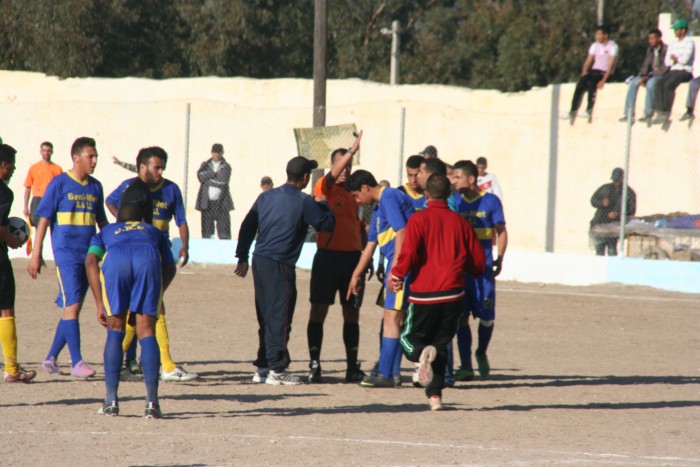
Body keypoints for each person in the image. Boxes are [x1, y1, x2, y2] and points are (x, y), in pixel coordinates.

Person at [235, 155, 335, 385]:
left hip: (259, 260)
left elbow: (248, 225)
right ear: (305, 177)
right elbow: (326, 225)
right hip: (280, 264)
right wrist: (323, 203)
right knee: (281, 315)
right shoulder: (304, 201)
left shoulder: (266, 196)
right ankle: (277, 370)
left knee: (267, 315)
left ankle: (263, 366)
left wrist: (242, 256)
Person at [390, 174, 485, 410]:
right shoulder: (460, 222)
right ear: (449, 194)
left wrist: (398, 275)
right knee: (441, 344)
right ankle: (435, 397)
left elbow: (409, 253)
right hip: (454, 294)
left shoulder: (419, 219)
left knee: (406, 338)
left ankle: (421, 353)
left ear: (427, 194)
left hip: (424, 293)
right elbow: (478, 262)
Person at [106, 147, 197, 383]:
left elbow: (182, 221)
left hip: (160, 250)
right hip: (141, 251)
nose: (160, 171)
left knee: (148, 306)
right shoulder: (132, 187)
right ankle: (164, 365)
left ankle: (116, 362)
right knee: (152, 305)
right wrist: (125, 225)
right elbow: (110, 201)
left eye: (162, 167)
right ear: (143, 167)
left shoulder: (171, 189)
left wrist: (184, 247)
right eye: (156, 167)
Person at [86, 180, 176, 418]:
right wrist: (157, 294)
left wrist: (98, 303)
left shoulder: (105, 232)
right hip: (147, 261)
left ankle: (111, 401)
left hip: (116, 264)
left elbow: (91, 261)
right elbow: (170, 266)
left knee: (115, 329)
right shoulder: (154, 232)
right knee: (146, 332)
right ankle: (152, 404)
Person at [28, 137, 108, 378]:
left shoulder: (95, 186)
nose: (94, 161)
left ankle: (51, 358)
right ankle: (77, 362)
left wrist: (114, 245)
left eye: (95, 156)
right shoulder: (59, 184)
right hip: (66, 255)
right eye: (90, 156)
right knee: (72, 307)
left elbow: (101, 221)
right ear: (76, 158)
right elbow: (43, 221)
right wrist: (36, 253)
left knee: (73, 308)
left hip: (89, 257)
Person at [345, 169, 415, 388]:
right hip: (398, 266)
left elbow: (402, 231)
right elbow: (370, 246)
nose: (357, 201)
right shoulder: (377, 207)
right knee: (392, 319)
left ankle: (386, 373)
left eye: (356, 196)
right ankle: (390, 372)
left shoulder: (390, 196)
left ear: (365, 188)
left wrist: (397, 269)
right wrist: (355, 275)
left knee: (393, 320)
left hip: (401, 267)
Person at [306, 134, 365, 384]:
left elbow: (359, 226)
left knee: (351, 314)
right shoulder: (324, 187)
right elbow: (332, 175)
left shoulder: (355, 192)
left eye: (349, 166)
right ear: (332, 166)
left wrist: (365, 258)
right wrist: (352, 150)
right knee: (319, 311)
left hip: (352, 260)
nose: (346, 170)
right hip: (327, 258)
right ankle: (315, 364)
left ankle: (352, 366)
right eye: (342, 165)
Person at [450, 160, 508, 381]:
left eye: (457, 177)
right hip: (460, 271)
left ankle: (481, 352)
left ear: (471, 179)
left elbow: (501, 232)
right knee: (461, 319)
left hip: (483, 271)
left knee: (486, 318)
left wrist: (499, 258)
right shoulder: (455, 202)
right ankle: (466, 366)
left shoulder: (491, 201)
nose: (453, 181)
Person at [0, 144, 37, 383]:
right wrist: (13, 239)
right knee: (5, 309)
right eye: (12, 165)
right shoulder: (4, 193)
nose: (14, 170)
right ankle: (12, 369)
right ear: (3, 165)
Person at [563, 25, 618, 121]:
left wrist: (604, 80)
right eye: (596, 34)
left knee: (591, 83)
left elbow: (611, 65)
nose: (597, 36)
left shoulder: (613, 46)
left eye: (599, 34)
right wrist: (584, 73)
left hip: (604, 72)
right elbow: (588, 61)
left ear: (606, 36)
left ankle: (589, 109)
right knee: (580, 84)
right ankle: (572, 111)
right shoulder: (594, 45)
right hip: (594, 71)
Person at [23, 142, 63, 260]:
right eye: (44, 150)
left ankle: (58, 256)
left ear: (52, 152)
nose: (46, 153)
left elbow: (61, 189)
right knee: (38, 228)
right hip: (38, 200)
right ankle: (37, 256)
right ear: (40, 151)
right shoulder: (34, 168)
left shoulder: (57, 169)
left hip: (52, 201)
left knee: (54, 229)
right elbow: (28, 187)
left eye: (48, 150)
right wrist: (25, 206)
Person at [652, 19, 695, 124]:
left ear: (683, 30)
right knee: (659, 83)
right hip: (673, 70)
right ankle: (659, 113)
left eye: (677, 30)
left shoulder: (689, 42)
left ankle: (667, 112)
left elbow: (685, 60)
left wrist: (676, 59)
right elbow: (668, 61)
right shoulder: (673, 43)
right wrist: (675, 59)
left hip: (685, 71)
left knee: (669, 85)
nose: (675, 32)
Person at [619, 29, 668, 122]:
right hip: (649, 75)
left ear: (659, 38)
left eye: (652, 38)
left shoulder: (666, 49)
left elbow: (664, 68)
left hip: (660, 75)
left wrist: (648, 76)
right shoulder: (650, 50)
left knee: (650, 84)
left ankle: (648, 113)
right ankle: (629, 114)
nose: (650, 41)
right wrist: (642, 75)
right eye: (649, 39)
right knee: (633, 83)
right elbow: (645, 65)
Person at [589, 168, 637, 256]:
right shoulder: (605, 188)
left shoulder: (629, 193)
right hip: (600, 222)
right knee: (599, 250)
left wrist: (618, 214)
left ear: (623, 179)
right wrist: (601, 203)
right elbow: (593, 200)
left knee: (612, 249)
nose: (616, 182)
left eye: (618, 180)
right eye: (615, 180)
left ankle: (612, 267)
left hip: (615, 225)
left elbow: (632, 211)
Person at [196, 143, 233, 239]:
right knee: (207, 233)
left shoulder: (226, 166)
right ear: (212, 153)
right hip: (207, 203)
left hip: (222, 203)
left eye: (219, 152)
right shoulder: (205, 165)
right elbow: (200, 176)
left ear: (222, 153)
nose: (216, 155)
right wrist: (213, 173)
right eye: (215, 152)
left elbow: (223, 182)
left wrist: (207, 180)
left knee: (224, 232)